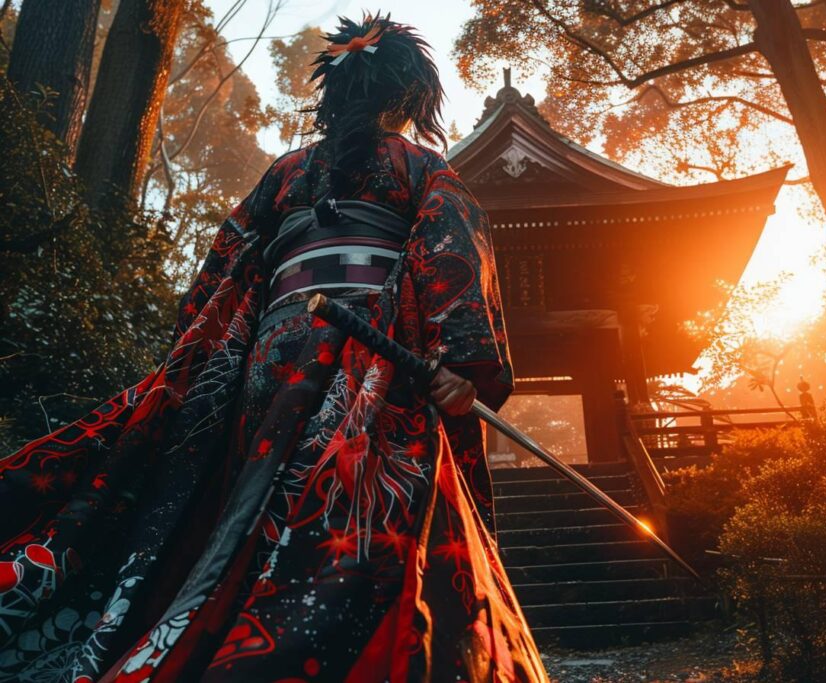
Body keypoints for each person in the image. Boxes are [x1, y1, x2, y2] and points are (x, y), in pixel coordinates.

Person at [0, 14, 547, 682]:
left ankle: (221, 628)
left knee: (249, 506)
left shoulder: (286, 172)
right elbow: (451, 256)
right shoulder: (424, 169)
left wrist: (213, 355)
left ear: (337, 95)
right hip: (370, 360)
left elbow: (224, 266)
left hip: (267, 357)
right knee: (348, 512)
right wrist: (461, 363)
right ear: (406, 100)